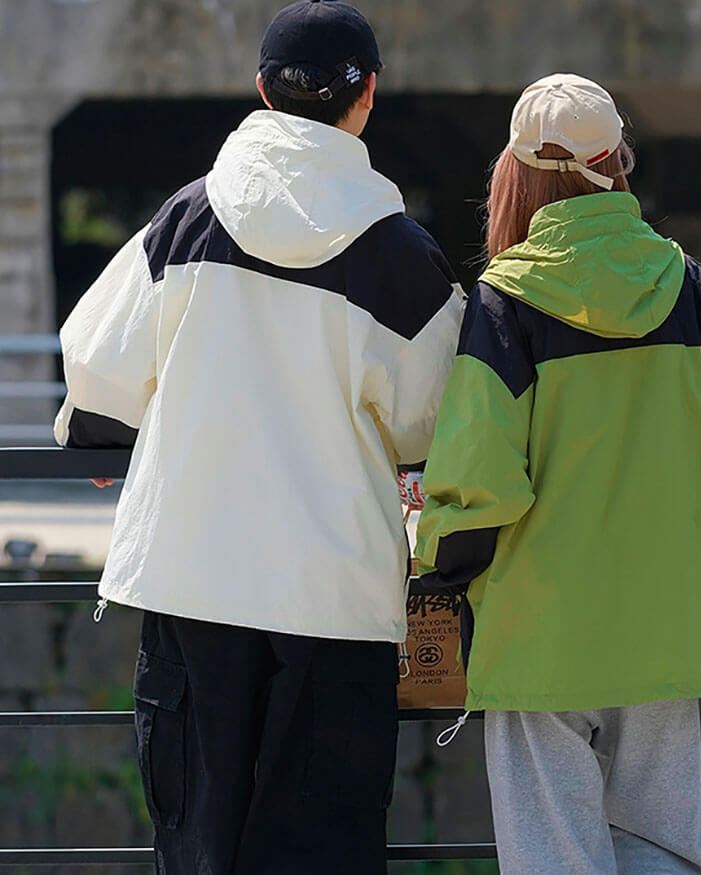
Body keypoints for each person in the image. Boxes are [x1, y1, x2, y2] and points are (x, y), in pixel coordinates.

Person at [414, 74, 701, 875]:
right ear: (618, 160)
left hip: (539, 631)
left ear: (514, 173)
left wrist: (437, 558)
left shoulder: (504, 303)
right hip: (669, 620)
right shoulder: (691, 289)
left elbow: (478, 485)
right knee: (665, 844)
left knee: (551, 849)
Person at [54, 2, 464, 872]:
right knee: (324, 843)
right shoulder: (398, 252)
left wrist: (100, 436)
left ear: (261, 90)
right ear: (368, 97)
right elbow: (434, 418)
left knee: (197, 837)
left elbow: (96, 365)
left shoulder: (184, 220)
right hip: (334, 595)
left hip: (192, 573)